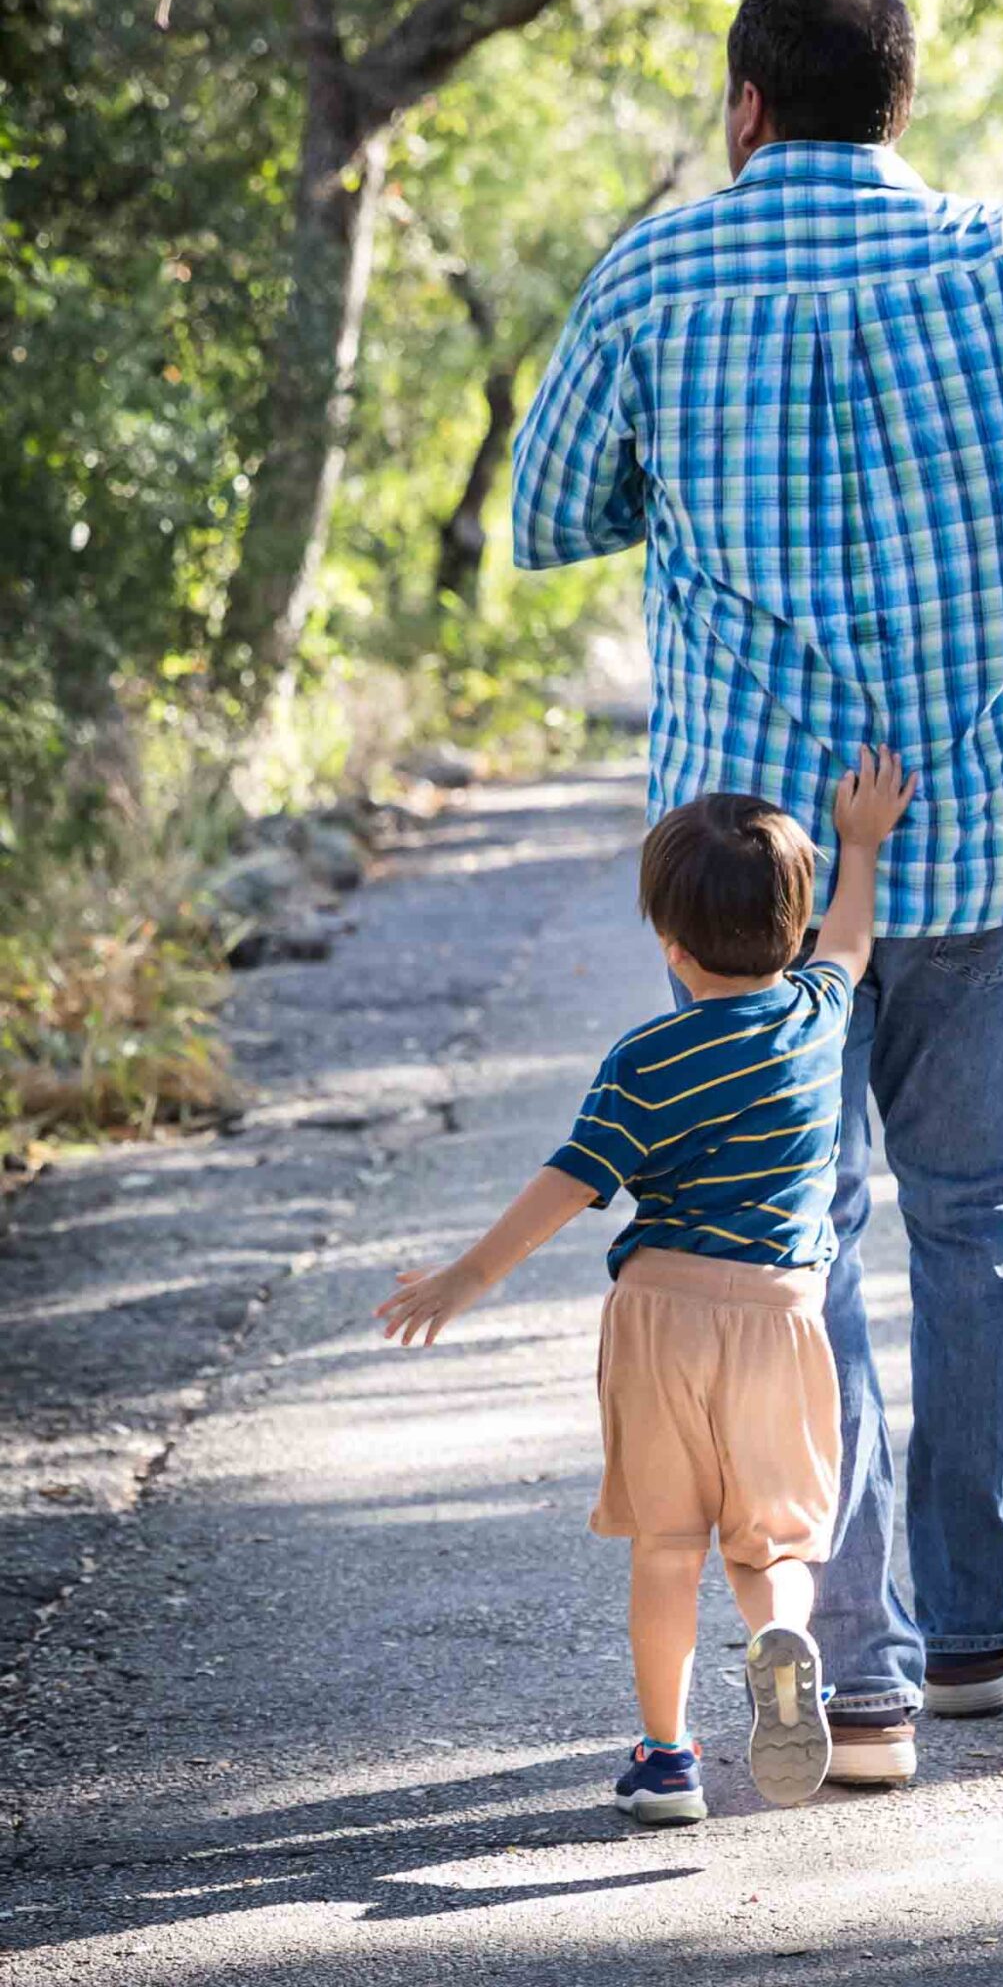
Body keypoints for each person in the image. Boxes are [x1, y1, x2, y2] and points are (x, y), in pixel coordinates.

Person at [512, 0, 1003, 1786]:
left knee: (781, 1244)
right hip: (972, 838)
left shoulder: (656, 270)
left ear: (745, 103)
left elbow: (553, 513)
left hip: (745, 895)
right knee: (979, 1222)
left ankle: (855, 1669)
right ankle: (978, 1628)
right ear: (899, 101)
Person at [376, 748, 916, 1823]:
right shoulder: (818, 1016)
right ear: (790, 929)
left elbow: (568, 1183)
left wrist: (464, 1278)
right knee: (776, 1541)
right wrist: (860, 842)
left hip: (664, 1315)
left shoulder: (646, 1059)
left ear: (671, 948)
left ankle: (667, 1759)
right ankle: (785, 1644)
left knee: (670, 1543)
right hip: (782, 1316)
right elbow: (850, 944)